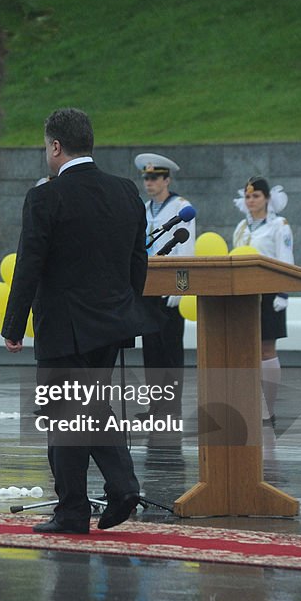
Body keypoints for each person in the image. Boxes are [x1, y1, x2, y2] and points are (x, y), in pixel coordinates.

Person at [2, 108, 153, 534]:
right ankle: (106, 493)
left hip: (64, 326)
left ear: (55, 146)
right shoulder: (126, 193)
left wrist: (14, 325)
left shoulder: (46, 196)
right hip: (111, 322)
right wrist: (124, 307)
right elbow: (136, 262)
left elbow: (29, 265)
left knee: (64, 414)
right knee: (87, 409)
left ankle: (82, 505)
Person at [137, 153, 195, 420]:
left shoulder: (181, 207)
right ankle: (155, 406)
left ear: (167, 179)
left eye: (155, 177)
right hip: (149, 285)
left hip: (170, 287)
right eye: (146, 177)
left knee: (170, 350)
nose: (149, 182)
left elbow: (187, 249)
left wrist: (180, 287)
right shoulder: (144, 208)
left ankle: (171, 407)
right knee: (151, 349)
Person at [232, 176, 293, 424]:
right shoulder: (241, 228)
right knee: (246, 350)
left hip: (269, 293)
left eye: (256, 196)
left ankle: (268, 407)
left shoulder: (279, 225)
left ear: (267, 198)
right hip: (245, 296)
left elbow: (285, 258)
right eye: (247, 196)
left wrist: (283, 293)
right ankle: (249, 403)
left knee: (266, 350)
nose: (251, 201)